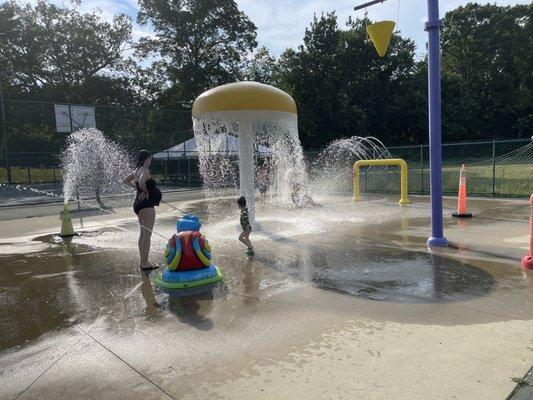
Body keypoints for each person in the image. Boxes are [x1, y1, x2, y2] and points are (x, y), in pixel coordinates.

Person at [123, 150, 162, 270]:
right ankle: (145, 263)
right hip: (146, 205)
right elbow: (141, 181)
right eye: (150, 159)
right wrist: (145, 191)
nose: (150, 162)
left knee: (143, 234)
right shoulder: (145, 170)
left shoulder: (136, 170)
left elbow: (125, 180)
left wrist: (138, 190)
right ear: (148, 158)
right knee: (147, 235)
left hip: (138, 205)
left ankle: (143, 261)